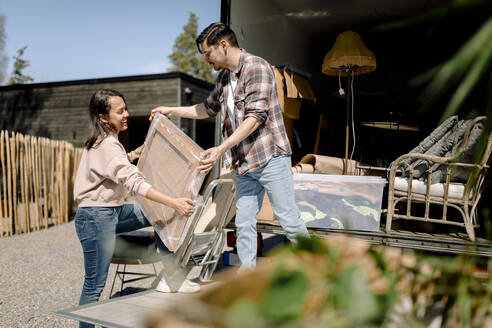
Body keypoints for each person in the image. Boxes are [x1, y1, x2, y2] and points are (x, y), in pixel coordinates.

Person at [150, 22, 309, 270]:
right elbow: (207, 108)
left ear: (223, 45)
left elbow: (255, 118)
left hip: (270, 157)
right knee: (244, 223)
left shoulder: (257, 67)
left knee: (288, 219)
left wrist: (221, 149)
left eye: (208, 53)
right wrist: (171, 110)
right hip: (245, 164)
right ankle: (247, 276)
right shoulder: (224, 78)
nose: (206, 59)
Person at [73, 89, 199, 328]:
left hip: (109, 213)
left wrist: (133, 154)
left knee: (154, 212)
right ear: (103, 117)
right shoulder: (109, 145)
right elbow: (135, 182)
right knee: (94, 286)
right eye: (119, 111)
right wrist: (174, 202)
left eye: (125, 109)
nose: (126, 115)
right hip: (96, 218)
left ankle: (171, 277)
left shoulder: (101, 142)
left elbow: (109, 168)